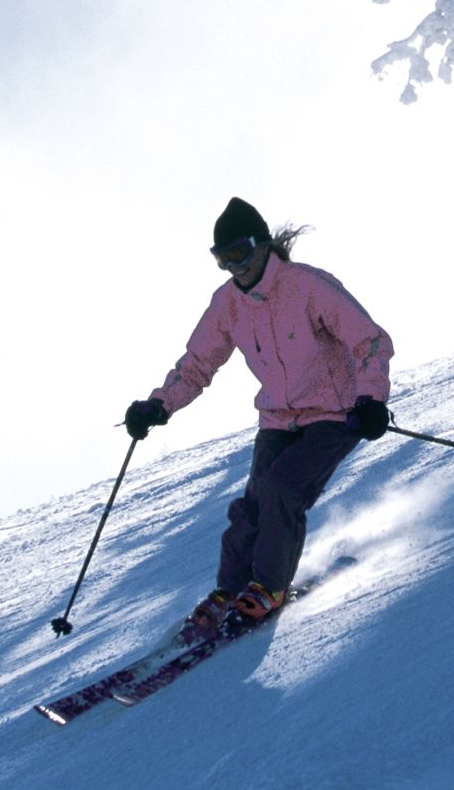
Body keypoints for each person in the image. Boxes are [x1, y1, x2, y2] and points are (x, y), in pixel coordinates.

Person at [123, 197, 393, 632]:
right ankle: (231, 590)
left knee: (282, 489)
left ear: (263, 244)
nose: (234, 267)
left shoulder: (307, 286)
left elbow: (371, 340)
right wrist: (159, 404)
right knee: (252, 505)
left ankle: (268, 586)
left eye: (240, 252)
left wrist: (372, 400)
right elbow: (197, 364)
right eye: (222, 259)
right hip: (279, 419)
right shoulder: (228, 304)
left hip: (335, 412)